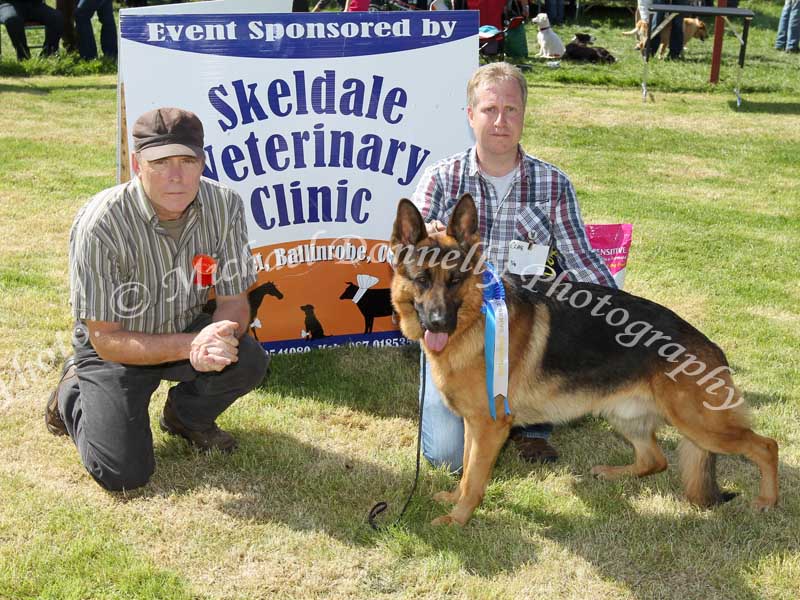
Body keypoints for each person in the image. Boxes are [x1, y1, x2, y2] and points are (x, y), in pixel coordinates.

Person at [45, 107, 269, 491]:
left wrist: (221, 334)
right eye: (161, 162)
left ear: (202, 163)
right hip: (116, 346)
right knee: (124, 474)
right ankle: (72, 391)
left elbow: (233, 299)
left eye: (187, 160)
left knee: (248, 358)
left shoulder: (226, 205)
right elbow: (106, 337)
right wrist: (192, 344)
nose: (176, 176)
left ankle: (185, 418)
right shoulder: (101, 224)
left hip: (184, 322)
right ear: (137, 164)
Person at [411, 63, 616, 472]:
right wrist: (427, 241)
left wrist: (625, 319)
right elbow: (402, 263)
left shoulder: (553, 184)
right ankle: (492, 410)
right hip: (455, 330)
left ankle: (532, 426)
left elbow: (583, 263)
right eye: (489, 109)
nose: (500, 121)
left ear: (524, 115)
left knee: (551, 342)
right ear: (470, 116)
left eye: (511, 109)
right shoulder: (440, 181)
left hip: (525, 336)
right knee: (447, 458)